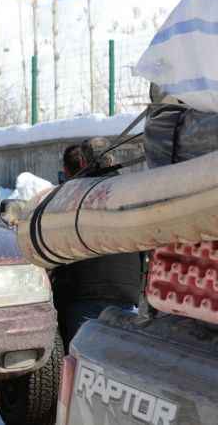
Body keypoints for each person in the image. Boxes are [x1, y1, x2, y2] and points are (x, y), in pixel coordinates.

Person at [52, 140, 144, 352]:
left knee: (79, 366)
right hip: (126, 295)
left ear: (83, 161)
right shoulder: (131, 192)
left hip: (84, 296)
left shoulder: (72, 195)